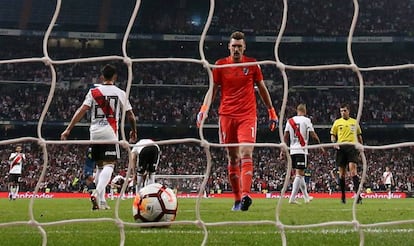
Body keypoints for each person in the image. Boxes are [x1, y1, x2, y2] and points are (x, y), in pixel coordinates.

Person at [196, 31, 278, 211]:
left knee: (246, 152)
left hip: (247, 116)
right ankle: (237, 199)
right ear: (229, 47)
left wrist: (272, 111)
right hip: (226, 116)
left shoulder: (253, 65)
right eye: (234, 46)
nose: (236, 49)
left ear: (244, 47)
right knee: (232, 158)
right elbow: (213, 90)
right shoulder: (220, 65)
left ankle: (246, 195)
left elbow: (262, 89)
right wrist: (204, 109)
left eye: (239, 46)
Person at [61, 64, 137, 210]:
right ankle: (96, 193)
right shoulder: (120, 92)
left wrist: (68, 129)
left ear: (102, 77)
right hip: (110, 132)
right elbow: (130, 115)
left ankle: (102, 202)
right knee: (109, 164)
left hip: (94, 132)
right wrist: (134, 131)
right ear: (115, 77)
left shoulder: (93, 92)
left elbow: (82, 110)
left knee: (100, 166)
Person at [280, 104, 324, 204]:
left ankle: (306, 197)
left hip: (292, 150)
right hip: (301, 150)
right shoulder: (306, 120)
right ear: (305, 111)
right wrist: (320, 145)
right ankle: (292, 198)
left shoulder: (289, 121)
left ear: (297, 110)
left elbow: (285, 136)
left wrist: (282, 150)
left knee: (300, 174)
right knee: (299, 175)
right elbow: (313, 134)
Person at [330, 103, 363, 204]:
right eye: (341, 111)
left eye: (344, 111)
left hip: (352, 147)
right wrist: (334, 143)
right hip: (341, 148)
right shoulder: (337, 122)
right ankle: (343, 196)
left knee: (353, 171)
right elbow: (333, 135)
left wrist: (361, 147)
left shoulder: (354, 122)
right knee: (342, 174)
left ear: (348, 111)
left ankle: (358, 196)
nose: (343, 113)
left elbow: (359, 136)